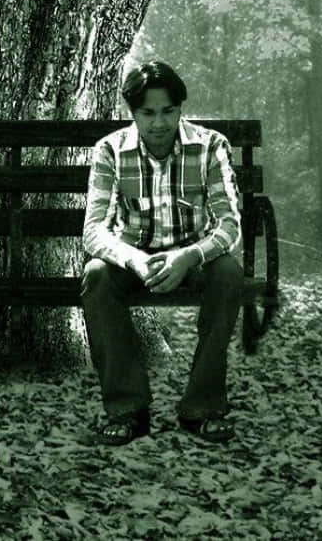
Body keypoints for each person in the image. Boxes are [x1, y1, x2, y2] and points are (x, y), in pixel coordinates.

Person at [81, 61, 245, 445]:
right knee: (96, 275)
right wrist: (134, 260)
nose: (159, 123)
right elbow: (93, 230)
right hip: (136, 259)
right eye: (148, 113)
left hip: (195, 258)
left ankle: (201, 408)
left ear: (180, 108)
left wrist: (188, 256)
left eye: (168, 111)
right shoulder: (110, 150)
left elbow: (230, 224)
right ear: (133, 113)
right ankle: (127, 410)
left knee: (228, 274)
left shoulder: (210, 147)